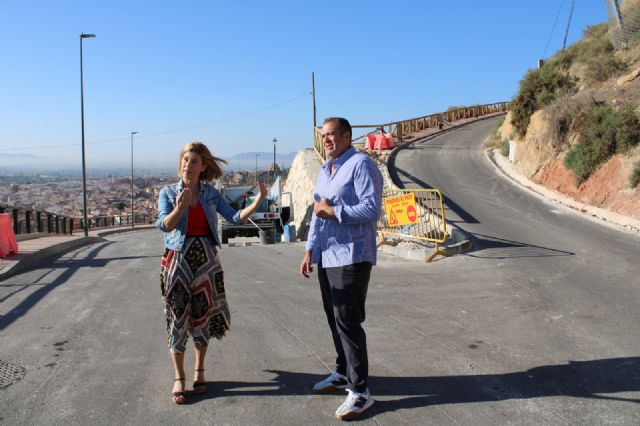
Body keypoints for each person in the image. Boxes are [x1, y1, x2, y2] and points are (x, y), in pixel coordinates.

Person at [156, 141, 266, 404]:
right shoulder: (168, 193)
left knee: (202, 315)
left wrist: (259, 200)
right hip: (177, 260)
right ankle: (178, 376)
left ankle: (199, 370)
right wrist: (180, 207)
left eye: (194, 161)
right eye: (185, 160)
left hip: (207, 260)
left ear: (203, 166)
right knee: (177, 316)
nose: (188, 165)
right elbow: (163, 225)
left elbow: (235, 218)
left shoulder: (211, 193)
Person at [299, 117, 383, 420]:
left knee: (348, 321)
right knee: (334, 319)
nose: (327, 140)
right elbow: (316, 214)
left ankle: (360, 392)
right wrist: (310, 249)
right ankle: (342, 372)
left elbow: (372, 208)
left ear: (347, 136)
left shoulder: (361, 164)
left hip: (353, 254)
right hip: (328, 256)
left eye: (333, 135)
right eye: (324, 136)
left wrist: (334, 211)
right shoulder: (325, 171)